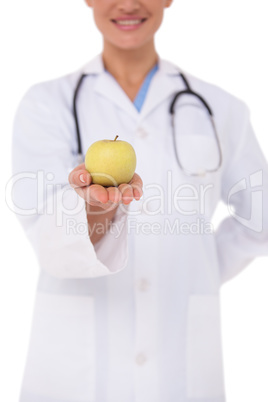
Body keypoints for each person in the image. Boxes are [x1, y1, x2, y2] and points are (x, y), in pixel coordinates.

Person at [12, 0, 268, 401]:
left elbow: (261, 216)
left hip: (179, 363)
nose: (128, 3)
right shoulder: (47, 104)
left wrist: (199, 265)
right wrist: (96, 209)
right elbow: (48, 238)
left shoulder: (222, 109)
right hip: (73, 371)